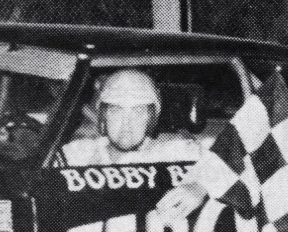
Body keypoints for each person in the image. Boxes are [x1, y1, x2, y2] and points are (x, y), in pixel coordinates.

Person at [59, 69, 200, 166]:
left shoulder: (173, 152)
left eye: (138, 112)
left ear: (151, 118)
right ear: (103, 116)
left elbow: (217, 166)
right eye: (116, 111)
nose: (126, 124)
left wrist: (198, 188)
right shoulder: (78, 153)